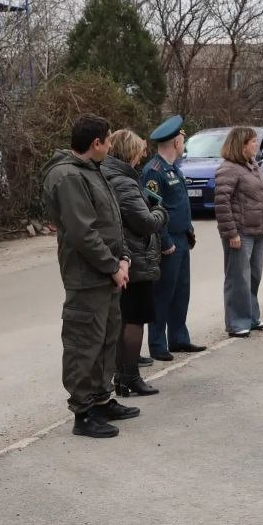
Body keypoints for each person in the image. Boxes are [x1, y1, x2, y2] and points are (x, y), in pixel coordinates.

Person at [40, 114, 142, 439]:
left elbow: (113, 221)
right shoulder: (68, 176)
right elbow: (84, 233)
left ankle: (101, 398)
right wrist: (112, 267)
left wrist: (123, 258)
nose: (111, 147)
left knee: (106, 338)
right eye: (108, 141)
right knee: (84, 342)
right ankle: (83, 412)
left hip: (108, 273)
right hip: (88, 276)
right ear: (95, 143)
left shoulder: (92, 171)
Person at [101, 129, 168, 398]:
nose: (142, 156)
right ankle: (130, 377)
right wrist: (160, 212)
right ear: (130, 152)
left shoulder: (109, 176)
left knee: (124, 319)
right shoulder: (125, 182)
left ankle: (122, 376)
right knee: (134, 320)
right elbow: (144, 222)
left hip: (125, 256)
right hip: (136, 259)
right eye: (140, 150)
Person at [142, 116, 205, 361]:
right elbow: (152, 210)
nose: (183, 143)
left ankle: (179, 338)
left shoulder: (173, 168)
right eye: (182, 139)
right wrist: (165, 240)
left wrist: (187, 230)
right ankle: (158, 343)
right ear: (176, 141)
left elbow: (178, 205)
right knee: (163, 293)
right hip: (167, 242)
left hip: (181, 238)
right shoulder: (153, 172)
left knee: (181, 291)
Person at [215, 126, 263, 338]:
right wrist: (232, 233)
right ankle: (236, 322)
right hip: (240, 232)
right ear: (241, 145)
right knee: (238, 277)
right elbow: (222, 203)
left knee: (254, 275)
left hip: (257, 229)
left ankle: (251, 317)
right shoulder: (228, 169)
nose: (255, 145)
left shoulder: (252, 165)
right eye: (252, 142)